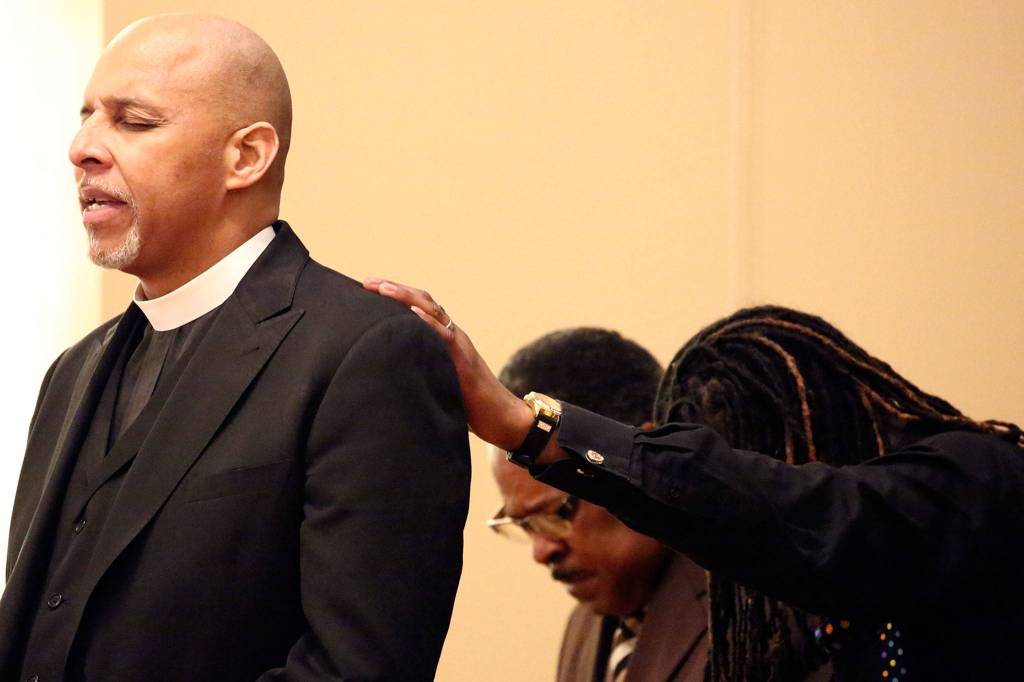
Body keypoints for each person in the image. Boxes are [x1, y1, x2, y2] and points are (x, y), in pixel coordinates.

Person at [1, 15, 470, 682]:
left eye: (133, 121)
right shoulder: (70, 372)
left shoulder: (366, 354)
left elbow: (357, 667)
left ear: (246, 156)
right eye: (87, 118)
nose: (82, 149)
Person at [364, 279, 1024, 681]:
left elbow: (799, 514)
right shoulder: (604, 626)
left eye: (556, 511)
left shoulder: (974, 482)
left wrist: (528, 425)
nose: (543, 549)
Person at [489, 328, 709, 682]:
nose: (542, 551)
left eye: (556, 513)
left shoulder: (750, 613)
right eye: (526, 524)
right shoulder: (585, 628)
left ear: (645, 461)